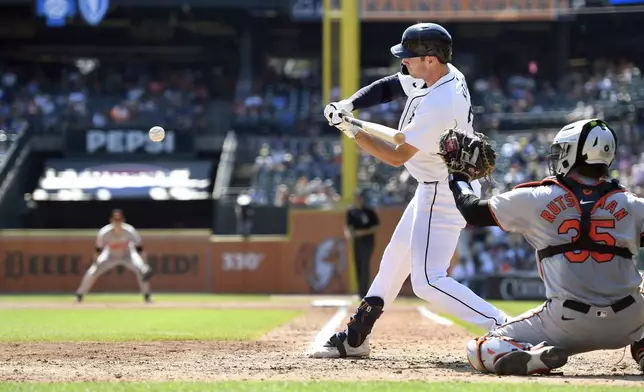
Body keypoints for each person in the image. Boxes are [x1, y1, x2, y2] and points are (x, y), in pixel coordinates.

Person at [310, 22, 508, 359]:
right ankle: (356, 336)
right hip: (435, 184)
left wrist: (351, 131)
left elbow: (396, 156)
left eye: (409, 57)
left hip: (442, 189)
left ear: (430, 59)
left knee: (427, 281)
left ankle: (506, 326)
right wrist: (350, 104)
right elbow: (390, 87)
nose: (403, 62)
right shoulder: (442, 73)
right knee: (393, 261)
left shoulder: (441, 102)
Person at [446, 118, 644, 375]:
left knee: (481, 347)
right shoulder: (632, 204)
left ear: (573, 153)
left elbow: (472, 212)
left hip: (566, 323)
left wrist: (458, 176)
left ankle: (535, 356)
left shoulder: (537, 197)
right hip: (630, 319)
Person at [75, 209, 154, 303]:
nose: (117, 222)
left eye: (119, 220)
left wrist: (144, 264)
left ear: (123, 220)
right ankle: (80, 294)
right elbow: (97, 250)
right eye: (115, 220)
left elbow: (140, 249)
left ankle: (147, 295)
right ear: (111, 220)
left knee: (142, 271)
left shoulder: (130, 231)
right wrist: (96, 263)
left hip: (128, 254)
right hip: (109, 255)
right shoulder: (104, 232)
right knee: (92, 271)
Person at [345, 189, 380, 298]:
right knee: (358, 265)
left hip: (367, 241)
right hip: (356, 241)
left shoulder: (369, 211)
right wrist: (349, 234)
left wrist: (363, 232)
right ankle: (360, 292)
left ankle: (365, 292)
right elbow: (348, 226)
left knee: (365, 265)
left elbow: (376, 226)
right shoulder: (351, 211)